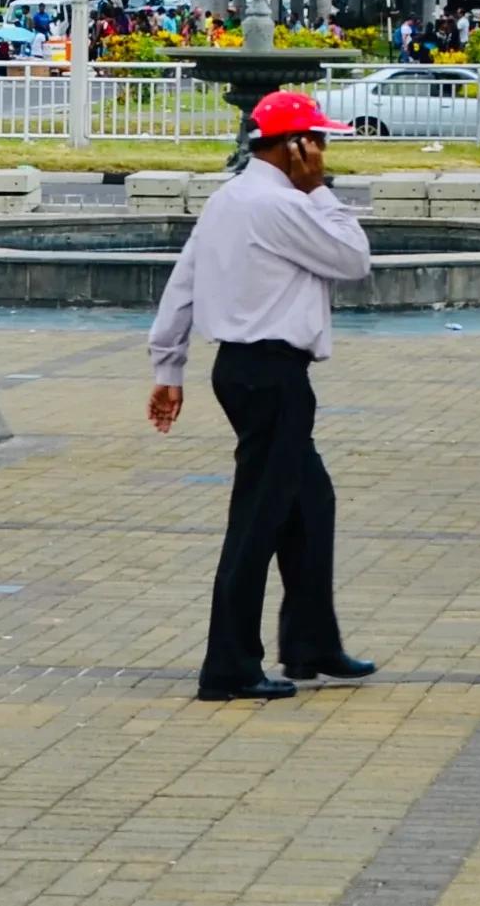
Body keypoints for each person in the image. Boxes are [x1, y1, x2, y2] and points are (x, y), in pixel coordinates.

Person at [147, 89, 378, 702]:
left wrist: (168, 367)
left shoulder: (229, 198)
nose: (324, 153)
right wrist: (320, 190)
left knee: (311, 505)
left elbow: (184, 282)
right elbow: (355, 259)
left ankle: (311, 643)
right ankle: (228, 666)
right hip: (273, 375)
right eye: (317, 141)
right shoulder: (281, 205)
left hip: (245, 371)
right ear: (293, 147)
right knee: (257, 520)